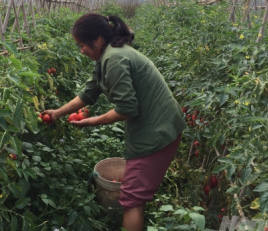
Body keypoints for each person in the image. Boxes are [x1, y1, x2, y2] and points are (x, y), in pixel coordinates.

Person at [42, 13, 186, 231]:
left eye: (81, 45)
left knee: (131, 200)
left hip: (157, 133)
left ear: (98, 40)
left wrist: (92, 122)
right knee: (135, 196)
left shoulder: (115, 59)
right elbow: (88, 93)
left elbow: (127, 109)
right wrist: (56, 113)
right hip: (157, 127)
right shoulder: (108, 56)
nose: (81, 50)